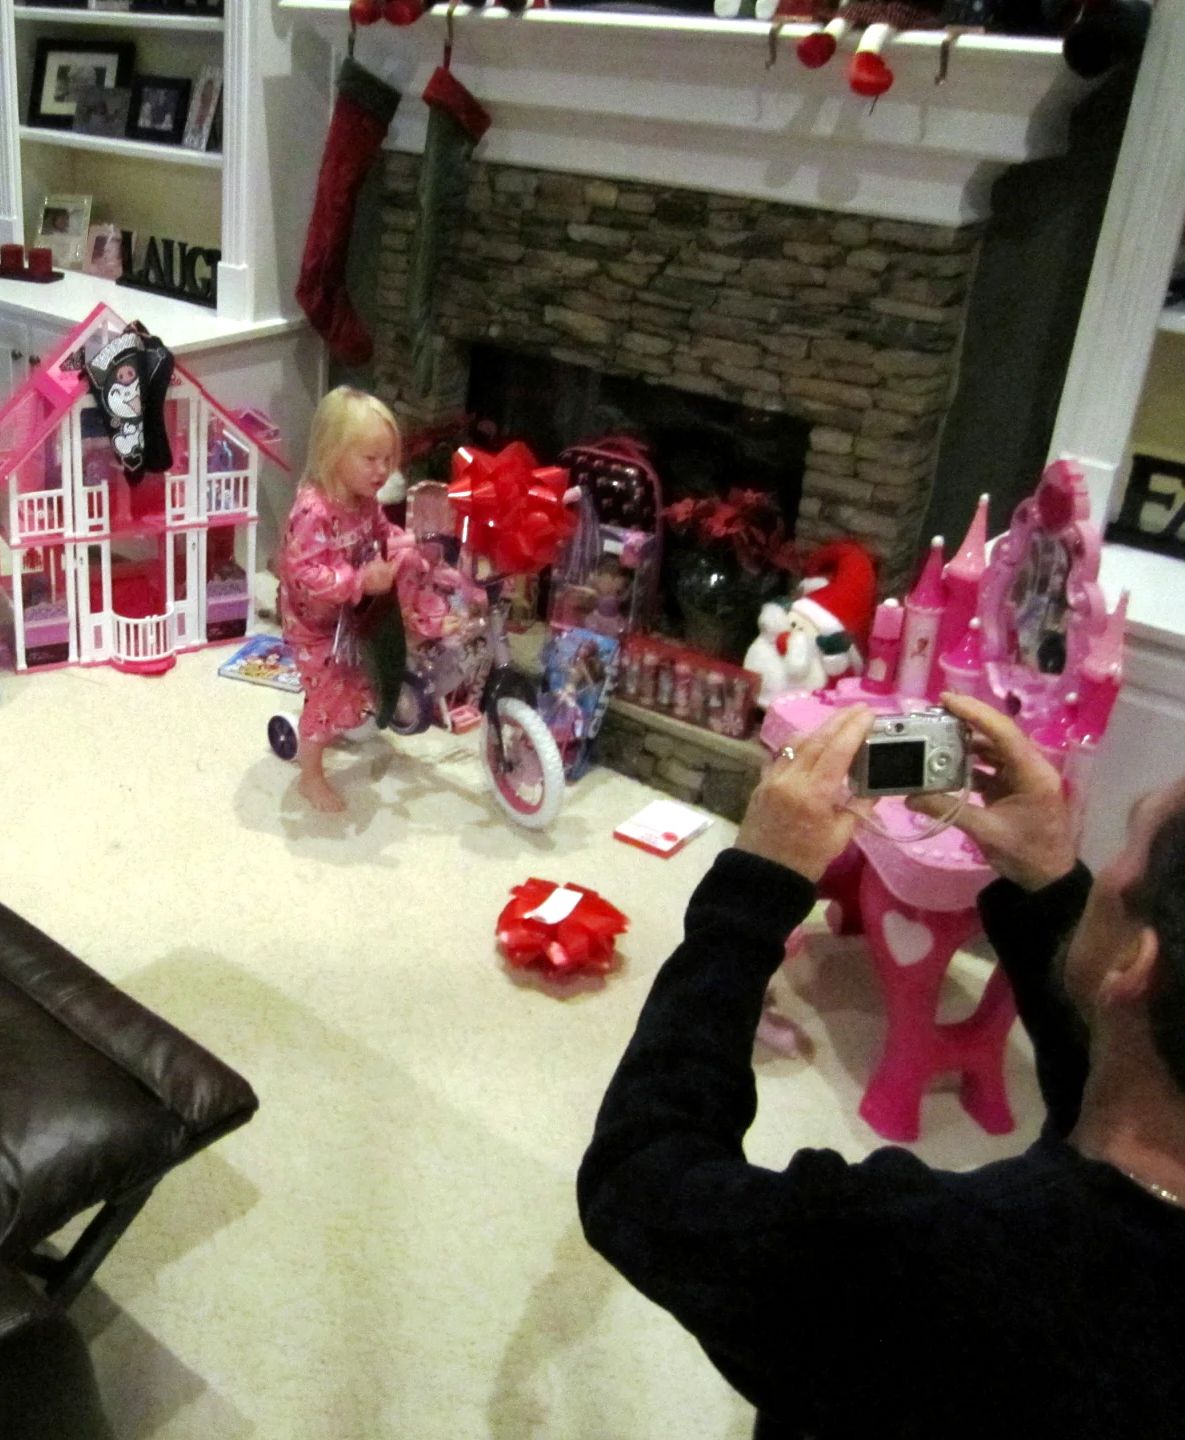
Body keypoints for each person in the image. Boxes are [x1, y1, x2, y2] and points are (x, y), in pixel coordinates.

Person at [578, 692, 1185, 1438]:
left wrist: (753, 890)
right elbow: (1108, 1090)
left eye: (1127, 839)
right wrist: (1050, 880)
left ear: (1137, 963)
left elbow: (640, 1181)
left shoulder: (925, 1264)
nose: (1106, 861)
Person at [275, 386, 450, 814]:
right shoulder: (313, 511)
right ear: (333, 454)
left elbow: (379, 533)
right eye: (370, 459)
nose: (382, 470)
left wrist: (403, 543)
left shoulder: (365, 500)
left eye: (388, 459)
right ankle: (310, 776)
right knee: (327, 694)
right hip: (314, 623)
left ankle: (359, 707)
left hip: (352, 615)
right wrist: (358, 581)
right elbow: (303, 574)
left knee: (361, 672)